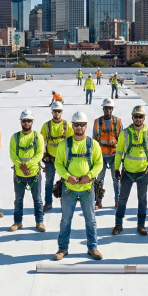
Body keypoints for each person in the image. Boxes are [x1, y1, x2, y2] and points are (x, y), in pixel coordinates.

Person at [53, 111, 104, 260]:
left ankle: (93, 248)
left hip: (87, 190)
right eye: (76, 125)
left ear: (86, 126)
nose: (79, 127)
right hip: (69, 190)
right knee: (65, 220)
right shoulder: (64, 145)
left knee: (91, 220)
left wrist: (89, 176)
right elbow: (58, 163)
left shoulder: (93, 144)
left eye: (82, 125)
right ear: (72, 126)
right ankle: (62, 249)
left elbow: (99, 163)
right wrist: (68, 177)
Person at [113, 105, 148, 236]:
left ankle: (141, 225)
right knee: (122, 199)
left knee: (142, 199)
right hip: (127, 172)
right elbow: (119, 152)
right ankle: (118, 224)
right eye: (136, 116)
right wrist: (116, 168)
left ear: (144, 118)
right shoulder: (125, 133)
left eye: (140, 116)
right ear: (132, 117)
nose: (138, 119)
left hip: (143, 172)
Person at [9, 110, 46, 232]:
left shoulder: (38, 137)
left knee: (38, 199)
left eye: (28, 120)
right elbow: (13, 155)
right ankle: (18, 222)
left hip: (34, 174)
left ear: (32, 122)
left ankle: (39, 222)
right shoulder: (15, 137)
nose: (26, 123)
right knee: (18, 199)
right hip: (19, 175)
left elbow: (39, 154)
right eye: (24, 121)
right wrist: (21, 166)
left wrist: (27, 166)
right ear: (21, 122)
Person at [40, 101, 72, 211]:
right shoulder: (47, 125)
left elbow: (72, 141)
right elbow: (41, 141)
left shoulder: (66, 125)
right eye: (55, 111)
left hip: (63, 160)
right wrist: (43, 155)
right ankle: (48, 203)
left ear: (62, 112)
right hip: (50, 160)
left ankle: (65, 204)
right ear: (52, 112)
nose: (57, 113)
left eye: (59, 111)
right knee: (49, 182)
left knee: (65, 182)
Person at [92, 98, 122, 209]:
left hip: (114, 155)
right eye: (106, 108)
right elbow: (94, 140)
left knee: (116, 180)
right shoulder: (97, 122)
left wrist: (121, 156)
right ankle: (98, 201)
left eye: (110, 108)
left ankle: (117, 200)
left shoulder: (118, 122)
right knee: (99, 180)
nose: (108, 110)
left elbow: (121, 140)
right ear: (103, 109)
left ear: (112, 109)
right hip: (101, 156)